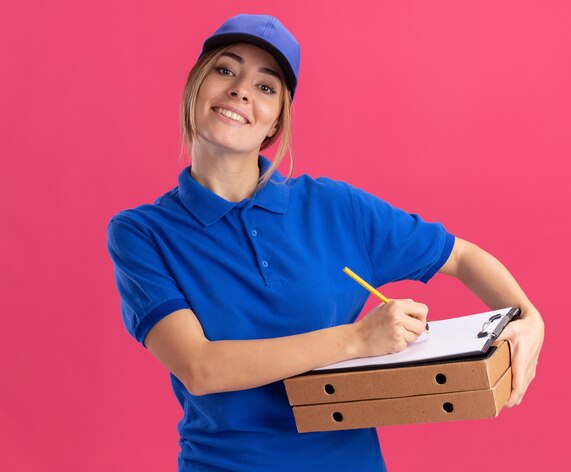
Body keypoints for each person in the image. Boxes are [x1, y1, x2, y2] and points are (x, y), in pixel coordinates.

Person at [106, 13, 544, 472]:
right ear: (196, 86)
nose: (241, 91)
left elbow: (461, 255)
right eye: (225, 70)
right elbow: (200, 368)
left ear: (275, 122)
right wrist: (358, 338)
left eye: (266, 87)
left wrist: (530, 319)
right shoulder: (142, 232)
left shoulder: (334, 208)